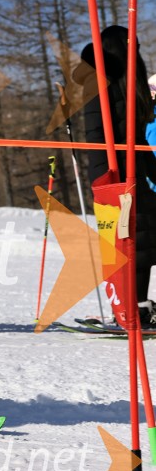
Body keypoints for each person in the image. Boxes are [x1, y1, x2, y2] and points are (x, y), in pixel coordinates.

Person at [75, 26, 156, 325]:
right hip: (114, 174)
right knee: (124, 241)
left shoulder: (132, 80)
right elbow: (95, 133)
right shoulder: (98, 80)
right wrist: (104, 178)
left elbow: (140, 134)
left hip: (139, 171)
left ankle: (140, 305)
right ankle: (127, 306)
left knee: (143, 240)